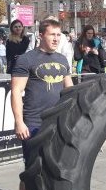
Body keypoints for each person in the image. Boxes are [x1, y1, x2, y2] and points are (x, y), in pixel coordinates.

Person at [11, 19, 73, 166]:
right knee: (32, 170)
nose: (56, 39)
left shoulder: (62, 59)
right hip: (34, 123)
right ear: (40, 35)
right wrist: (19, 122)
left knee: (56, 167)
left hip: (58, 121)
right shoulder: (26, 59)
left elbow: (69, 89)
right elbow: (16, 92)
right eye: (52, 34)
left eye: (58, 35)